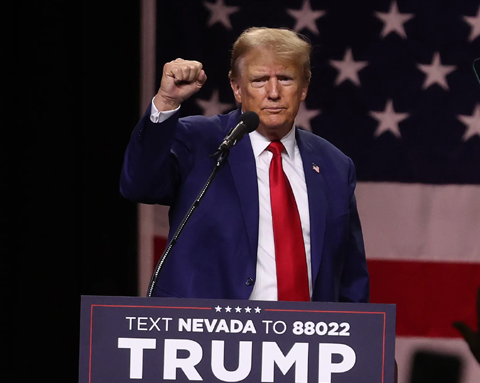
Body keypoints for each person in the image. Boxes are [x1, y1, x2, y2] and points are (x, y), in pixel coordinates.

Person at [120, 27, 369, 302]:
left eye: (285, 79)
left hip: (305, 328)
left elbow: (351, 279)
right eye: (259, 80)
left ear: (304, 87)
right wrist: (166, 102)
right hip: (210, 326)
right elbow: (139, 185)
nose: (273, 92)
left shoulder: (335, 165)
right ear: (237, 88)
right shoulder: (199, 141)